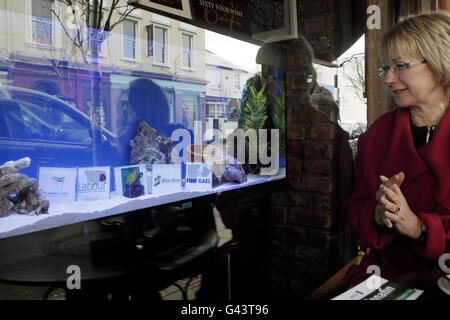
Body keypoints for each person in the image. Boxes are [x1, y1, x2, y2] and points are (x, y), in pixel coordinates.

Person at [342, 12, 450, 293]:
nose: (389, 78)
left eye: (400, 66)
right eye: (386, 68)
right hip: (389, 277)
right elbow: (355, 215)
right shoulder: (377, 134)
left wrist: (420, 227)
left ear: (439, 64)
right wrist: (378, 215)